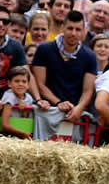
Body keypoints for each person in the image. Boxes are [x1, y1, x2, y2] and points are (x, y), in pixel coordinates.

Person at [30, 10, 97, 142]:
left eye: (78, 29)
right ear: (63, 28)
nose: (73, 33)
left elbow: (88, 90)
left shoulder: (90, 56)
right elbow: (40, 84)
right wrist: (59, 103)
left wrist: (78, 109)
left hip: (74, 114)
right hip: (47, 111)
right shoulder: (45, 49)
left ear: (84, 31)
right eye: (70, 28)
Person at [0, 66, 35, 139]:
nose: (20, 84)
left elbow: (25, 120)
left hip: (20, 134)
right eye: (17, 81)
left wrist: (24, 111)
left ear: (28, 85)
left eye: (24, 81)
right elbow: (4, 125)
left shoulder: (29, 98)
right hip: (7, 136)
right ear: (9, 83)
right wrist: (23, 133)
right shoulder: (9, 96)